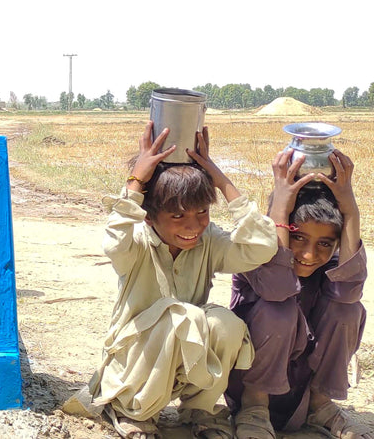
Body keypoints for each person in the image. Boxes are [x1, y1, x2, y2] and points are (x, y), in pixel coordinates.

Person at [67, 122, 278, 439]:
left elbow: (262, 247)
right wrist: (136, 181)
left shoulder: (208, 240)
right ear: (149, 216)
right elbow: (113, 242)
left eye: (202, 212)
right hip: (135, 366)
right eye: (177, 216)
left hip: (185, 360)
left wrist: (220, 180)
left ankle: (198, 409)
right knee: (184, 315)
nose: (193, 226)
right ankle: (132, 411)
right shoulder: (136, 243)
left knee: (226, 325)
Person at [226, 150, 372, 439]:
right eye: (298, 237)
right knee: (278, 310)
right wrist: (280, 208)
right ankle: (255, 407)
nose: (308, 254)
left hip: (300, 391)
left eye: (324, 243)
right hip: (248, 386)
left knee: (347, 309)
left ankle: (322, 406)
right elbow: (278, 288)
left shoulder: (330, 264)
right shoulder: (254, 255)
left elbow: (349, 292)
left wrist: (351, 210)